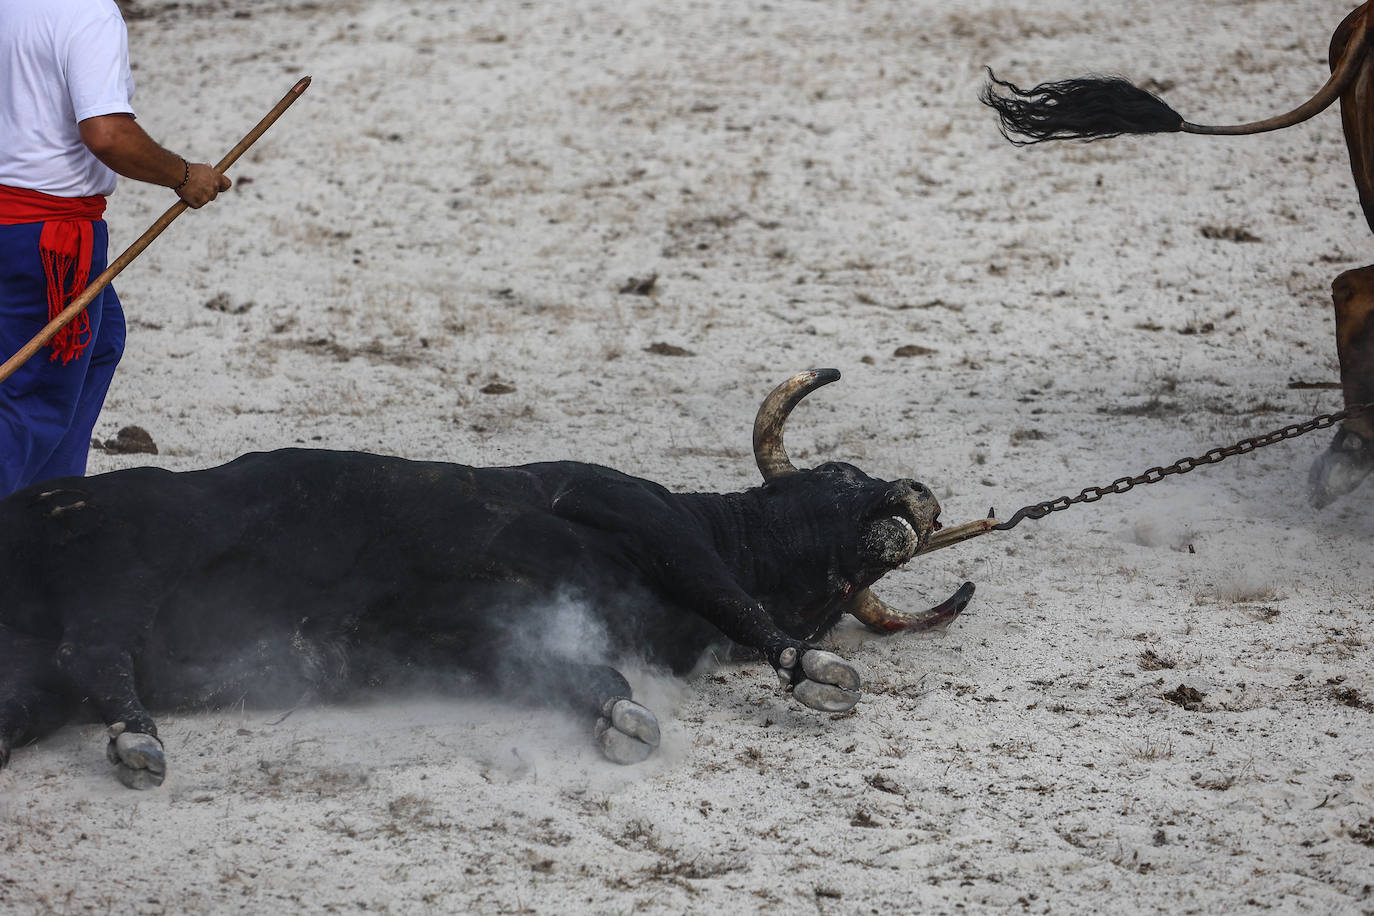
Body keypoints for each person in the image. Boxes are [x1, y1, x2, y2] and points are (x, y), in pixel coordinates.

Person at [0, 0, 230, 498]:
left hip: (17, 229)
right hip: (45, 240)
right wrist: (185, 176)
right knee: (31, 403)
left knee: (100, 340)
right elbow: (107, 134)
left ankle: (45, 510)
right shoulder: (87, 13)